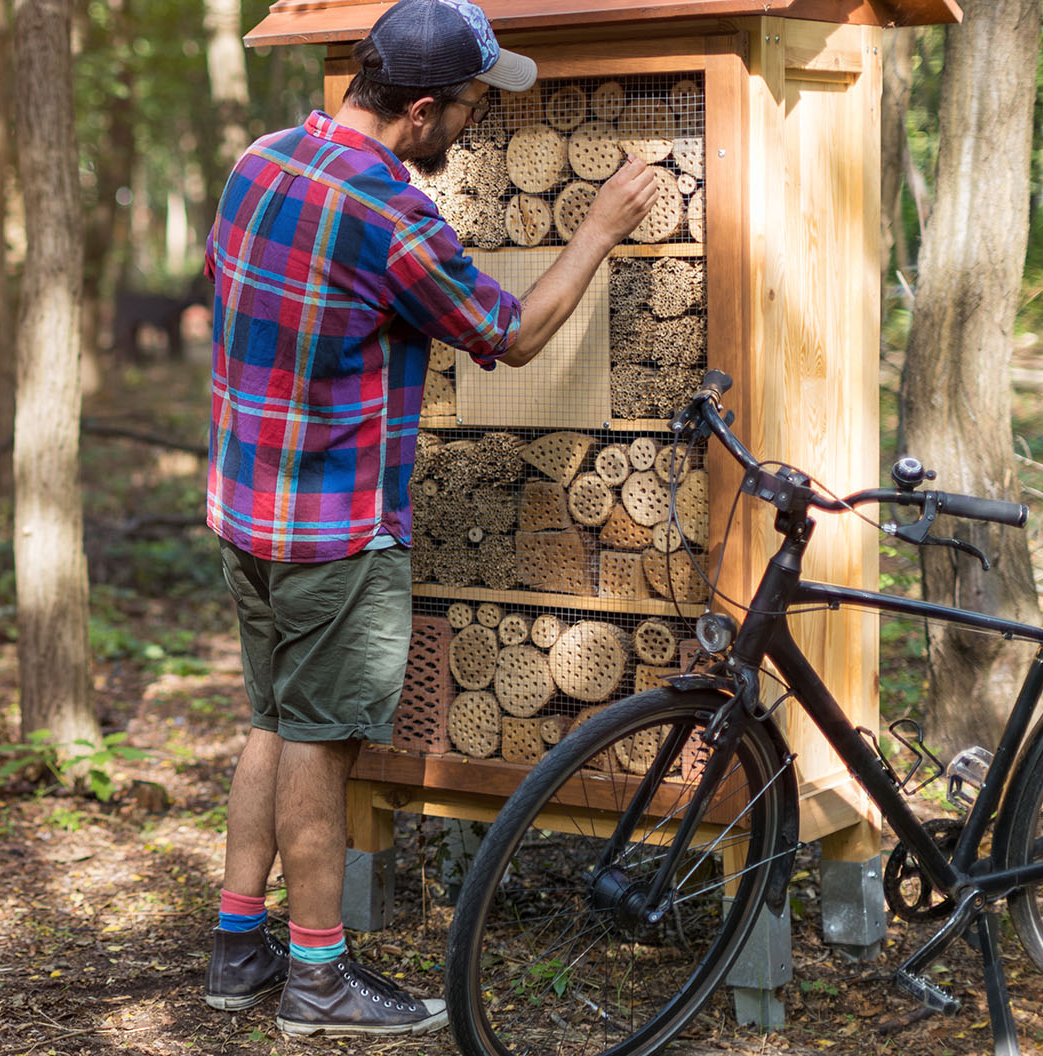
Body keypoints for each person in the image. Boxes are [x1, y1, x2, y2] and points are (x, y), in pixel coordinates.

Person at [199, 0, 657, 1037]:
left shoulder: (260, 161)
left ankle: (239, 947)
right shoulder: (390, 215)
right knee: (322, 743)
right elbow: (515, 333)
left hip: (245, 511)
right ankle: (317, 977)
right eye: (465, 108)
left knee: (274, 718)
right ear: (416, 110)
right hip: (335, 530)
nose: (473, 126)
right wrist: (596, 229)